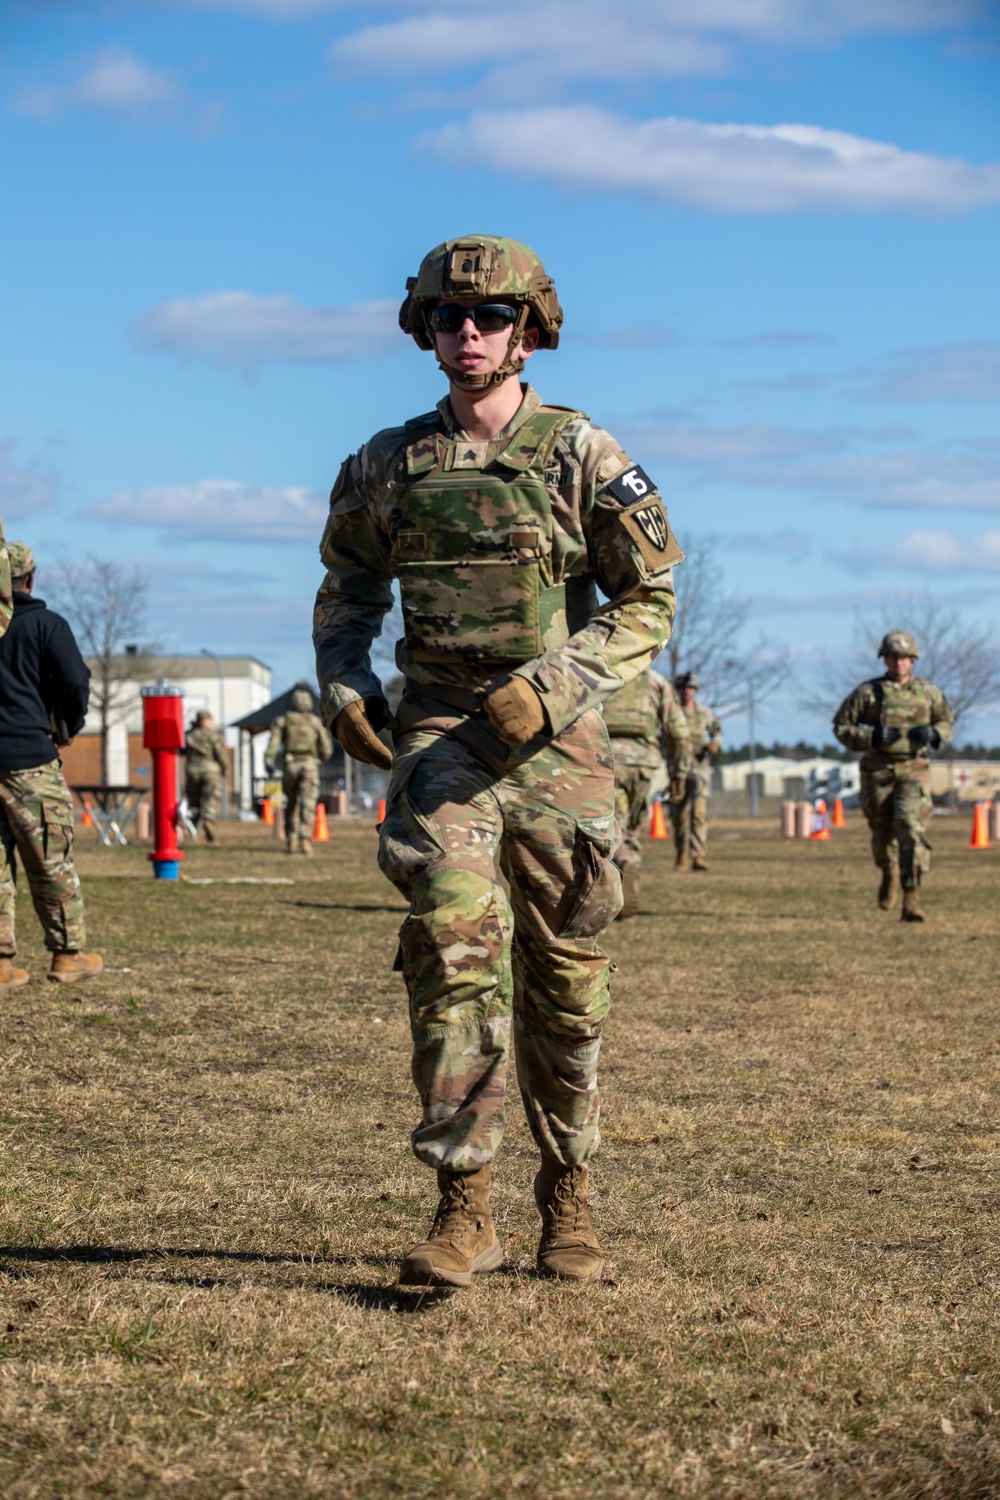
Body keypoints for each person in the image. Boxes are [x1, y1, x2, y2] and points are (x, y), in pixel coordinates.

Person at [314, 234, 683, 1287]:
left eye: (489, 318)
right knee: (451, 949)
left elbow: (647, 599)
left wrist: (555, 685)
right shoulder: (389, 464)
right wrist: (345, 682)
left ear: (530, 330)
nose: (467, 335)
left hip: (560, 747)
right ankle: (463, 1206)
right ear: (422, 329)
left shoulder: (583, 456)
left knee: (566, 978)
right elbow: (345, 588)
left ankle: (568, 1195)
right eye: (448, 317)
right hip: (442, 741)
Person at [0, 542, 102, 986]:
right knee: (50, 858)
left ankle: (1, 964)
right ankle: (67, 954)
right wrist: (69, 725)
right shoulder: (46, 624)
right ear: (30, 578)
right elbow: (74, 679)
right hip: (29, 761)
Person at [833, 631, 953, 922]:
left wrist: (935, 734)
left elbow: (946, 721)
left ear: (912, 660)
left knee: (911, 829)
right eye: (892, 657)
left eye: (904, 658)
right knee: (882, 834)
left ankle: (912, 898)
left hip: (914, 769)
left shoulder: (928, 692)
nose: (898, 663)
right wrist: (870, 736)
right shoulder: (868, 694)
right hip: (878, 771)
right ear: (885, 659)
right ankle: (888, 871)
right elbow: (841, 726)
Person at [605, 663, 690, 919]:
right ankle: (629, 869)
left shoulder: (599, 674)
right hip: (643, 763)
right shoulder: (657, 682)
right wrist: (680, 775)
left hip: (604, 758)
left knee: (611, 826)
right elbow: (679, 734)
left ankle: (620, 870)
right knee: (631, 826)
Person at [264, 687, 333, 855]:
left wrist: (269, 761)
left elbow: (273, 744)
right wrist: (318, 760)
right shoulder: (315, 722)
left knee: (292, 803)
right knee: (308, 804)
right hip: (309, 765)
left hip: (290, 766)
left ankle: (291, 840)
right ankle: (305, 840)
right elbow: (326, 749)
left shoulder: (282, 721)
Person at [671, 671, 722, 872]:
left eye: (691, 688)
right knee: (679, 814)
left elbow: (717, 731)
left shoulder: (704, 713)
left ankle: (698, 855)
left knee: (699, 812)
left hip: (699, 769)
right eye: (683, 688)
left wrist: (715, 744)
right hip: (677, 769)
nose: (687, 692)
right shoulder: (672, 712)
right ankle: (681, 853)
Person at [184, 710, 228, 843]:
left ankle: (193, 830)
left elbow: (180, 750)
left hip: (192, 770)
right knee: (210, 798)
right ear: (206, 720)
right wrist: (225, 767)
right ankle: (208, 820)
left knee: (193, 801)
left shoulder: (188, 735)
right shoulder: (212, 735)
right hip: (209, 769)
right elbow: (220, 752)